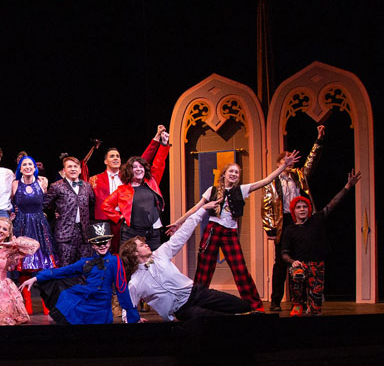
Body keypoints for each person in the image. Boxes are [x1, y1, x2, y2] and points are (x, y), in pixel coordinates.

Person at [166, 151, 300, 312]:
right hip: (213, 230)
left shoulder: (242, 190)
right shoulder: (212, 190)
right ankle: (196, 303)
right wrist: (178, 223)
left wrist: (284, 165)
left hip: (230, 233)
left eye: (237, 172)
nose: (234, 174)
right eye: (231, 171)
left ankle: (255, 305)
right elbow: (196, 208)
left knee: (240, 269)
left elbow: (266, 180)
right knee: (204, 269)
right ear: (224, 174)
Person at [119, 201, 254, 322]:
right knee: (216, 320)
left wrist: (203, 210)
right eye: (141, 245)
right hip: (182, 309)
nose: (146, 245)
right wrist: (132, 319)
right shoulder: (136, 282)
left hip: (196, 293)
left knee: (241, 306)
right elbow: (128, 305)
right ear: (134, 253)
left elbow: (182, 234)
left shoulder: (160, 254)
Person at [20, 221, 140, 325]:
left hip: (101, 308)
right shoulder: (86, 262)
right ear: (92, 245)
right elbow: (63, 271)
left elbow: (121, 288)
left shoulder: (115, 260)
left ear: (109, 242)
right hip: (84, 303)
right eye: (98, 242)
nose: (102, 245)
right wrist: (36, 278)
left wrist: (132, 314)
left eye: (105, 242)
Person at [262, 124, 326, 311]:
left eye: (291, 160)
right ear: (279, 164)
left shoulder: (299, 176)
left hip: (301, 221)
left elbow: (312, 161)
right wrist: (270, 230)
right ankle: (275, 301)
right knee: (281, 263)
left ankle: (305, 301)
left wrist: (319, 140)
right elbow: (266, 207)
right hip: (283, 224)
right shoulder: (272, 182)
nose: (290, 163)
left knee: (305, 259)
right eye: (285, 160)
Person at [281, 170, 361, 316]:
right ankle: (298, 303)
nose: (302, 209)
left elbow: (332, 204)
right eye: (298, 207)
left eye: (304, 207)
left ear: (309, 209)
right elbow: (284, 253)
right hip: (300, 265)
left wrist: (347, 187)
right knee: (297, 274)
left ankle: (312, 307)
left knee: (315, 310)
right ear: (294, 211)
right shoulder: (289, 230)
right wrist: (293, 262)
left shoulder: (316, 220)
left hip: (317, 265)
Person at [89, 126, 167, 253]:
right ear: (105, 161)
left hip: (150, 227)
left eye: (118, 156)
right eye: (112, 156)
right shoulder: (97, 180)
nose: (115, 158)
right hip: (120, 226)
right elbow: (103, 204)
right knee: (123, 259)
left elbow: (154, 161)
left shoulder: (146, 180)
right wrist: (119, 217)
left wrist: (160, 141)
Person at [11, 154, 55, 314]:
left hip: (39, 225)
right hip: (21, 225)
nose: (28, 167)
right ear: (20, 168)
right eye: (25, 165)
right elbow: (10, 204)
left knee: (42, 264)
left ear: (35, 168)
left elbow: (49, 202)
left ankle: (46, 304)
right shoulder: (15, 184)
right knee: (23, 266)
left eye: (31, 164)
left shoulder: (42, 182)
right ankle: (27, 303)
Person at [44, 156, 95, 267]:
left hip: (84, 235)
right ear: (64, 171)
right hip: (65, 234)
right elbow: (45, 204)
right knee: (65, 267)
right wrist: (55, 211)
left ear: (80, 170)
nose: (73, 169)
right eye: (69, 166)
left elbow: (92, 205)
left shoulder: (87, 186)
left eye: (75, 166)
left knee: (85, 267)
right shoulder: (56, 186)